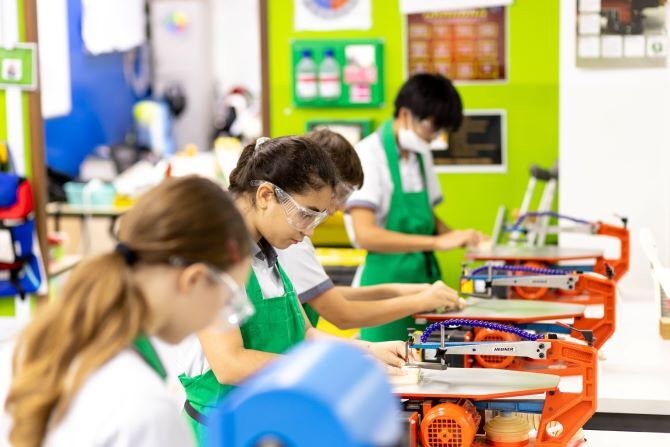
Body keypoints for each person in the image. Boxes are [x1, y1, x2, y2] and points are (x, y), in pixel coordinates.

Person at [178, 136, 415, 445]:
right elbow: (229, 364)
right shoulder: (216, 254)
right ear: (265, 195)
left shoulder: (266, 255)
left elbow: (304, 333)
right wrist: (330, 371)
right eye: (307, 214)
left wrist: (367, 353)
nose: (309, 231)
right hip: (222, 431)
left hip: (266, 422)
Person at [5, 176, 253, 447]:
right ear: (193, 279)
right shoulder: (145, 409)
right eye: (229, 299)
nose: (221, 316)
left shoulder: (49, 345)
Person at [346, 73, 487, 342]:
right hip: (385, 285)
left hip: (423, 279)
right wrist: (439, 242)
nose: (434, 137)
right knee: (389, 365)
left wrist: (463, 237)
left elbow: (425, 217)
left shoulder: (420, 155)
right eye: (432, 128)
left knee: (426, 362)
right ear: (406, 113)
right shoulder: (368, 154)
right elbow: (366, 234)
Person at [278, 128, 463, 330]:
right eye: (339, 195)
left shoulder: (296, 236)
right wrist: (420, 301)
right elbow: (343, 315)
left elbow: (323, 293)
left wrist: (407, 291)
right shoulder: (291, 239)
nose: (337, 209)